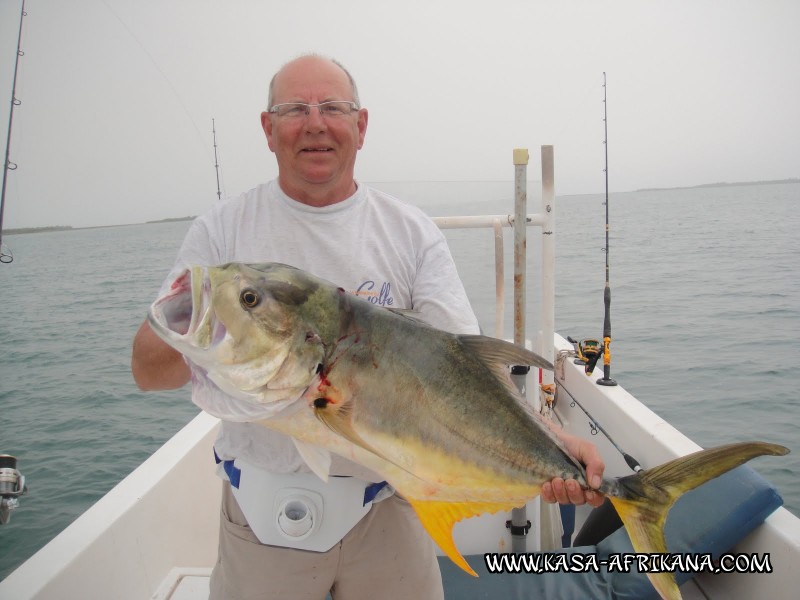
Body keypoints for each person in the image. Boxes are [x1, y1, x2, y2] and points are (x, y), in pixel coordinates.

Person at [131, 54, 605, 600]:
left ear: (361, 125)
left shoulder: (409, 232)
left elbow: (466, 378)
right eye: (293, 109)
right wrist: (191, 336)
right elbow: (147, 370)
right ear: (267, 129)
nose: (315, 123)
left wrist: (553, 443)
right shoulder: (221, 232)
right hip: (262, 517)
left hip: (390, 504)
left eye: (333, 107)